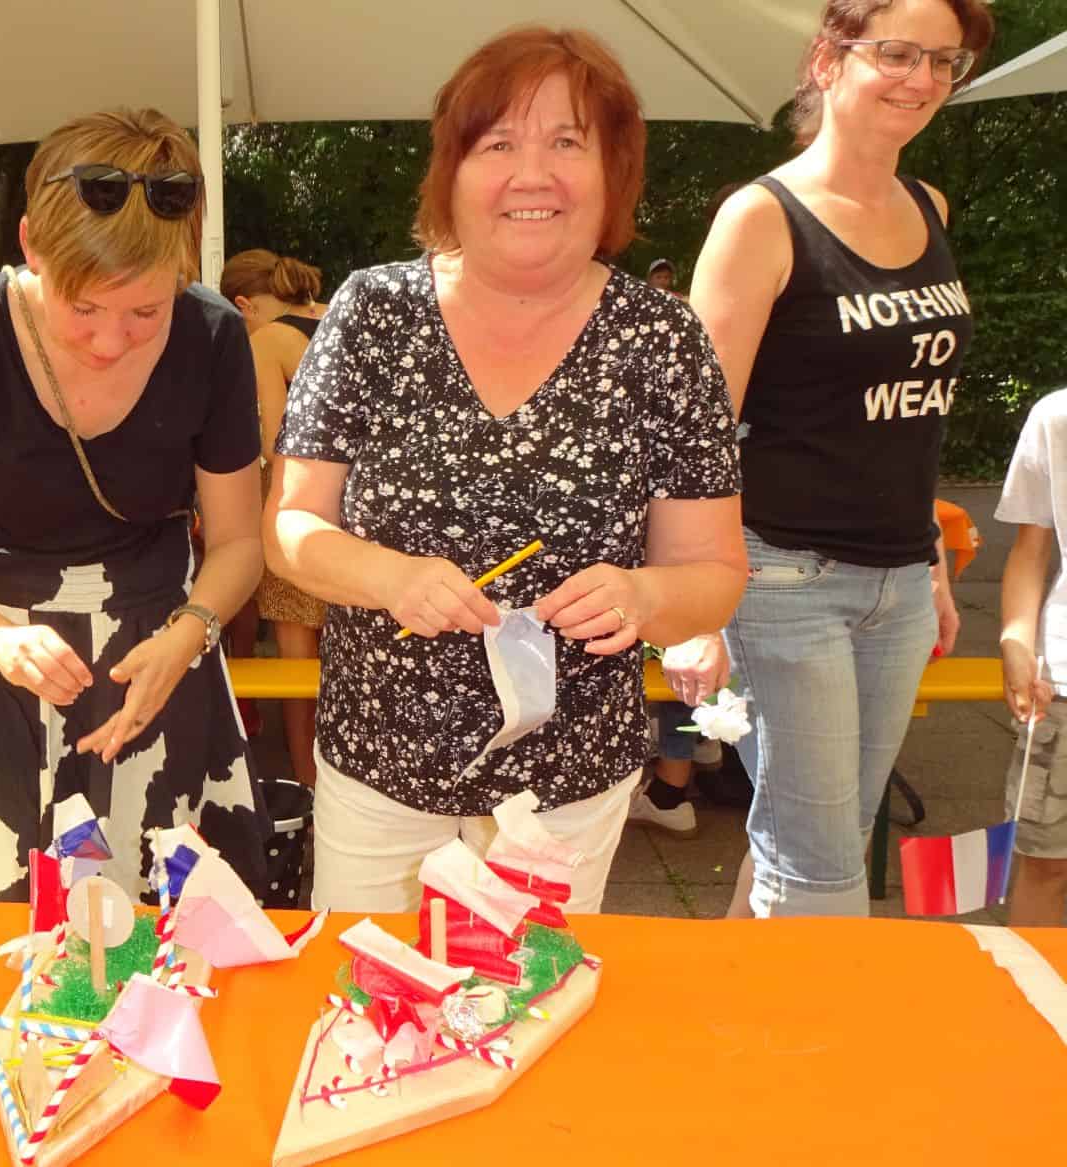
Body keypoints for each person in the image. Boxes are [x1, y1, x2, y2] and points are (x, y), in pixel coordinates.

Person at [265, 27, 746, 914]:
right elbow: (292, 527)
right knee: (369, 987)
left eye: (567, 141)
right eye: (498, 144)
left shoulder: (662, 339)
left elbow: (714, 573)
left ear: (613, 173)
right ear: (451, 171)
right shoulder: (372, 313)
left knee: (532, 992)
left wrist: (642, 596)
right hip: (380, 765)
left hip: (566, 786)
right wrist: (389, 577)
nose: (533, 174)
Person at [0, 107, 271, 901]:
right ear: (31, 245)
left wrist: (189, 635)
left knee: (162, 933)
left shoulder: (215, 337)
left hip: (156, 656)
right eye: (82, 307)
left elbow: (238, 543)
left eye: (147, 311)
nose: (110, 340)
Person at [685, 0, 994, 917]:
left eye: (944, 62)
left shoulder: (929, 205)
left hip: (898, 583)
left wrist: (930, 560)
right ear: (828, 59)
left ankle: (734, 996)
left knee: (822, 836)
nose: (921, 79)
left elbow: (904, 415)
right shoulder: (761, 218)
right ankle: (824, 1014)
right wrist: (695, 609)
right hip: (782, 578)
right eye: (896, 53)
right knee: (817, 867)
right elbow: (696, 432)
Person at [219, 248, 328, 787]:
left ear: (244, 306)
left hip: (303, 506)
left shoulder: (267, 340)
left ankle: (307, 782)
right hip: (370, 510)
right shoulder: (342, 314)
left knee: (296, 655)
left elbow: (274, 442)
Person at [995, 390, 1067, 927]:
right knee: (1046, 864)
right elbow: (1030, 550)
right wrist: (1015, 639)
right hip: (1063, 682)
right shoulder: (1056, 417)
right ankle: (1033, 980)